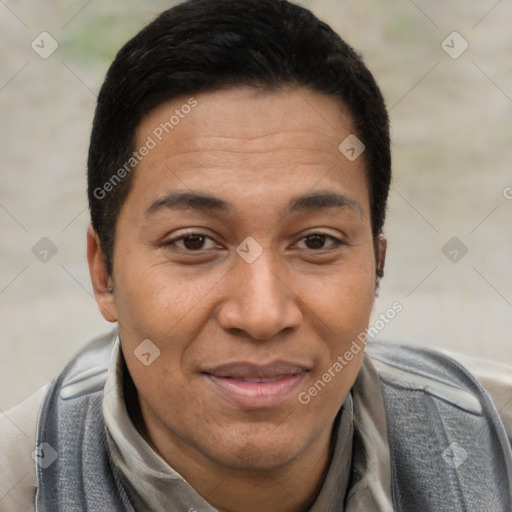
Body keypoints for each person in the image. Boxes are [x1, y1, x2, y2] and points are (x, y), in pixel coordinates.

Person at [1, 0, 511, 510]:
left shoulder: (496, 451)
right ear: (104, 272)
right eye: (194, 242)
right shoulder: (22, 483)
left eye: (316, 241)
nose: (262, 315)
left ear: (377, 266)